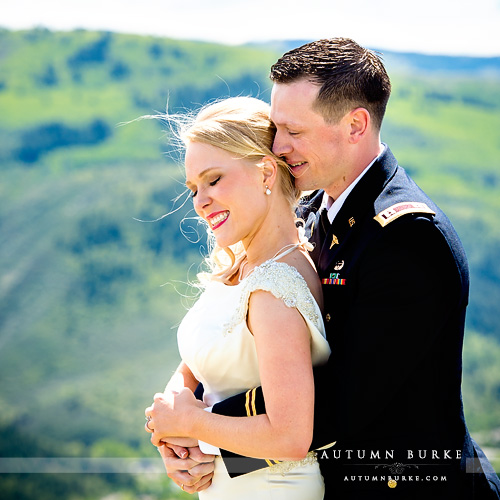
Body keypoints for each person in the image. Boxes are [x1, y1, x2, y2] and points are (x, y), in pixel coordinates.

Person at [154, 38, 500, 499]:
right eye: (276, 129)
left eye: (294, 131)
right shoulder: (313, 207)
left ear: (356, 125)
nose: (278, 147)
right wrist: (181, 433)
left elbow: (340, 405)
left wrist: (202, 437)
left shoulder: (409, 239)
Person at [144, 96, 331, 499]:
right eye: (194, 187)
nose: (199, 201)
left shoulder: (274, 287)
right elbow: (203, 359)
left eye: (213, 180)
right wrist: (174, 432)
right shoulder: (245, 265)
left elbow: (290, 436)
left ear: (265, 173)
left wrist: (193, 427)